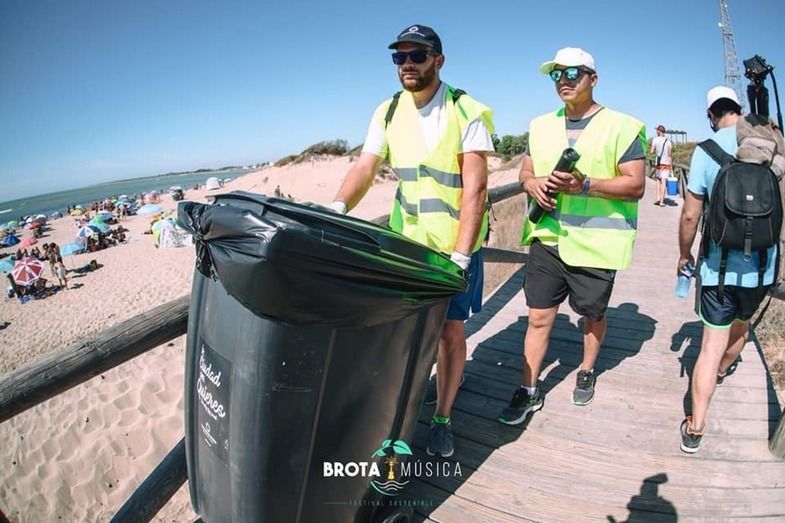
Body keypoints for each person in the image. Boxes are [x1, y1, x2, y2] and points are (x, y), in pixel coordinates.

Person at [328, 24, 495, 457]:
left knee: (449, 331)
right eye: (398, 57)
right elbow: (365, 168)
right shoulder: (387, 111)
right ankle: (411, 398)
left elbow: (475, 189)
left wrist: (461, 255)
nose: (406, 65)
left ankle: (442, 418)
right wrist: (338, 208)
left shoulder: (465, 110)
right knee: (404, 328)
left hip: (453, 248)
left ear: (438, 60)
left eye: (416, 56)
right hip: (408, 244)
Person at [498, 47, 646, 425]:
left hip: (596, 245)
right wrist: (531, 183)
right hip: (547, 239)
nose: (564, 80)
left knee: (592, 314)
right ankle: (529, 390)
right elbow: (526, 172)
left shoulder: (623, 126)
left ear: (592, 79)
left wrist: (585, 186)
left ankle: (586, 369)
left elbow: (636, 186)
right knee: (538, 317)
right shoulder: (540, 125)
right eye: (556, 74)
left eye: (573, 73)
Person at [676, 86, 778, 453]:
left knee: (708, 347)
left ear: (711, 114)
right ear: (738, 108)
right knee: (741, 329)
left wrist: (684, 254)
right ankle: (722, 371)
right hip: (762, 269)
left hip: (718, 270)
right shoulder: (772, 145)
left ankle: (696, 427)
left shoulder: (706, 152)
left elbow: (690, 214)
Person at [650, 124, 672, 206]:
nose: (656, 132)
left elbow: (652, 151)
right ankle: (662, 202)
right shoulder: (668, 142)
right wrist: (671, 169)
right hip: (666, 164)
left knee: (658, 180)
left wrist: (653, 148)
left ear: (659, 131)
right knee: (664, 182)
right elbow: (670, 156)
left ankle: (658, 198)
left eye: (656, 130)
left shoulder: (655, 140)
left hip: (658, 163)